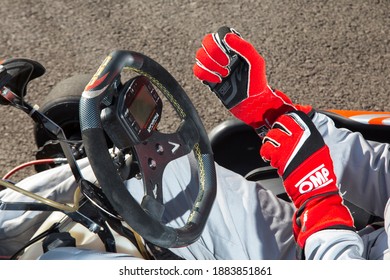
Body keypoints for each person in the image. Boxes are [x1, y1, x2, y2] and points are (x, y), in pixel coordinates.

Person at [0, 28, 389, 260]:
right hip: (332, 240)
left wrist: (319, 204)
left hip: (329, 255)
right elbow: (376, 171)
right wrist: (269, 110)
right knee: (141, 168)